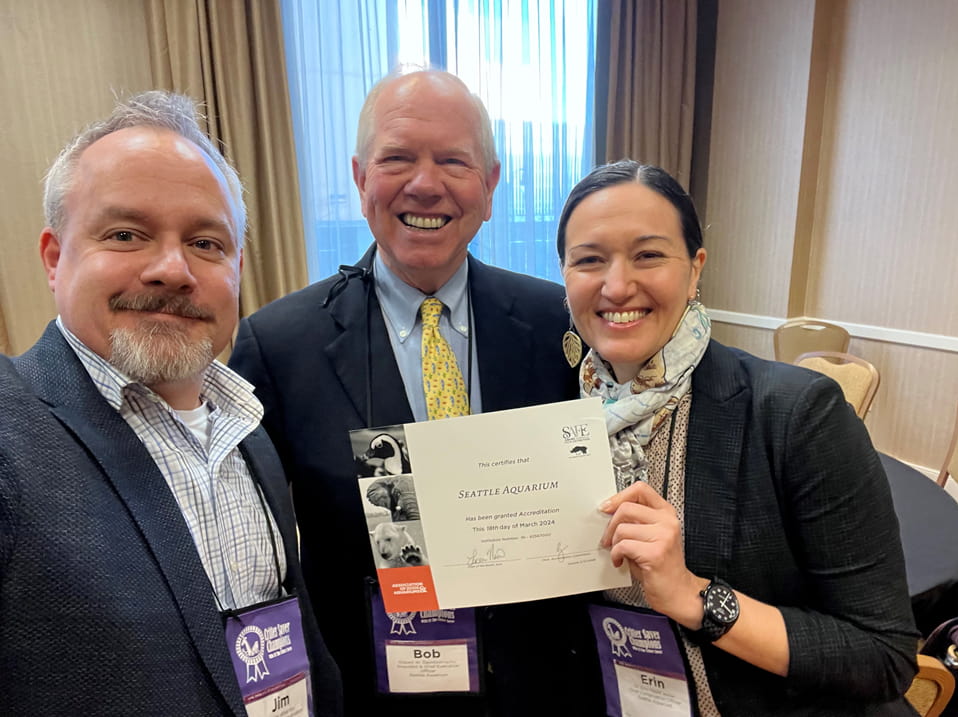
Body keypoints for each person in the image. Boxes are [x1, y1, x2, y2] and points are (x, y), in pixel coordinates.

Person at [229, 69, 592, 715]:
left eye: (453, 160)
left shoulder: (557, 324)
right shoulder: (278, 343)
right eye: (397, 158)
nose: (425, 183)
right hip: (371, 685)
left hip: (539, 684)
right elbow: (250, 545)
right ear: (360, 177)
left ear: (489, 185)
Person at [0, 91, 342, 716]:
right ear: (55, 259)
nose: (171, 269)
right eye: (126, 234)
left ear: (237, 267)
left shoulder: (247, 433)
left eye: (206, 243)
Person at [558, 159, 919, 715]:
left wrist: (693, 596)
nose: (616, 284)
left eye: (648, 254)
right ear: (564, 276)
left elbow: (882, 654)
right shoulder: (555, 418)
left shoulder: (796, 413)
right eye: (589, 260)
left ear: (695, 268)